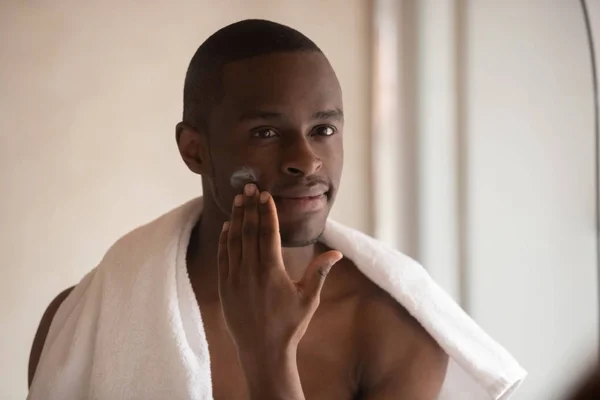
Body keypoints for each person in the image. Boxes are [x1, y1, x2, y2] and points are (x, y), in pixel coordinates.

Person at [29, 20, 465, 399]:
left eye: (323, 129)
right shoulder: (83, 325)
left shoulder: (393, 330)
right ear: (194, 150)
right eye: (266, 132)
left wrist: (269, 359)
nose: (307, 159)